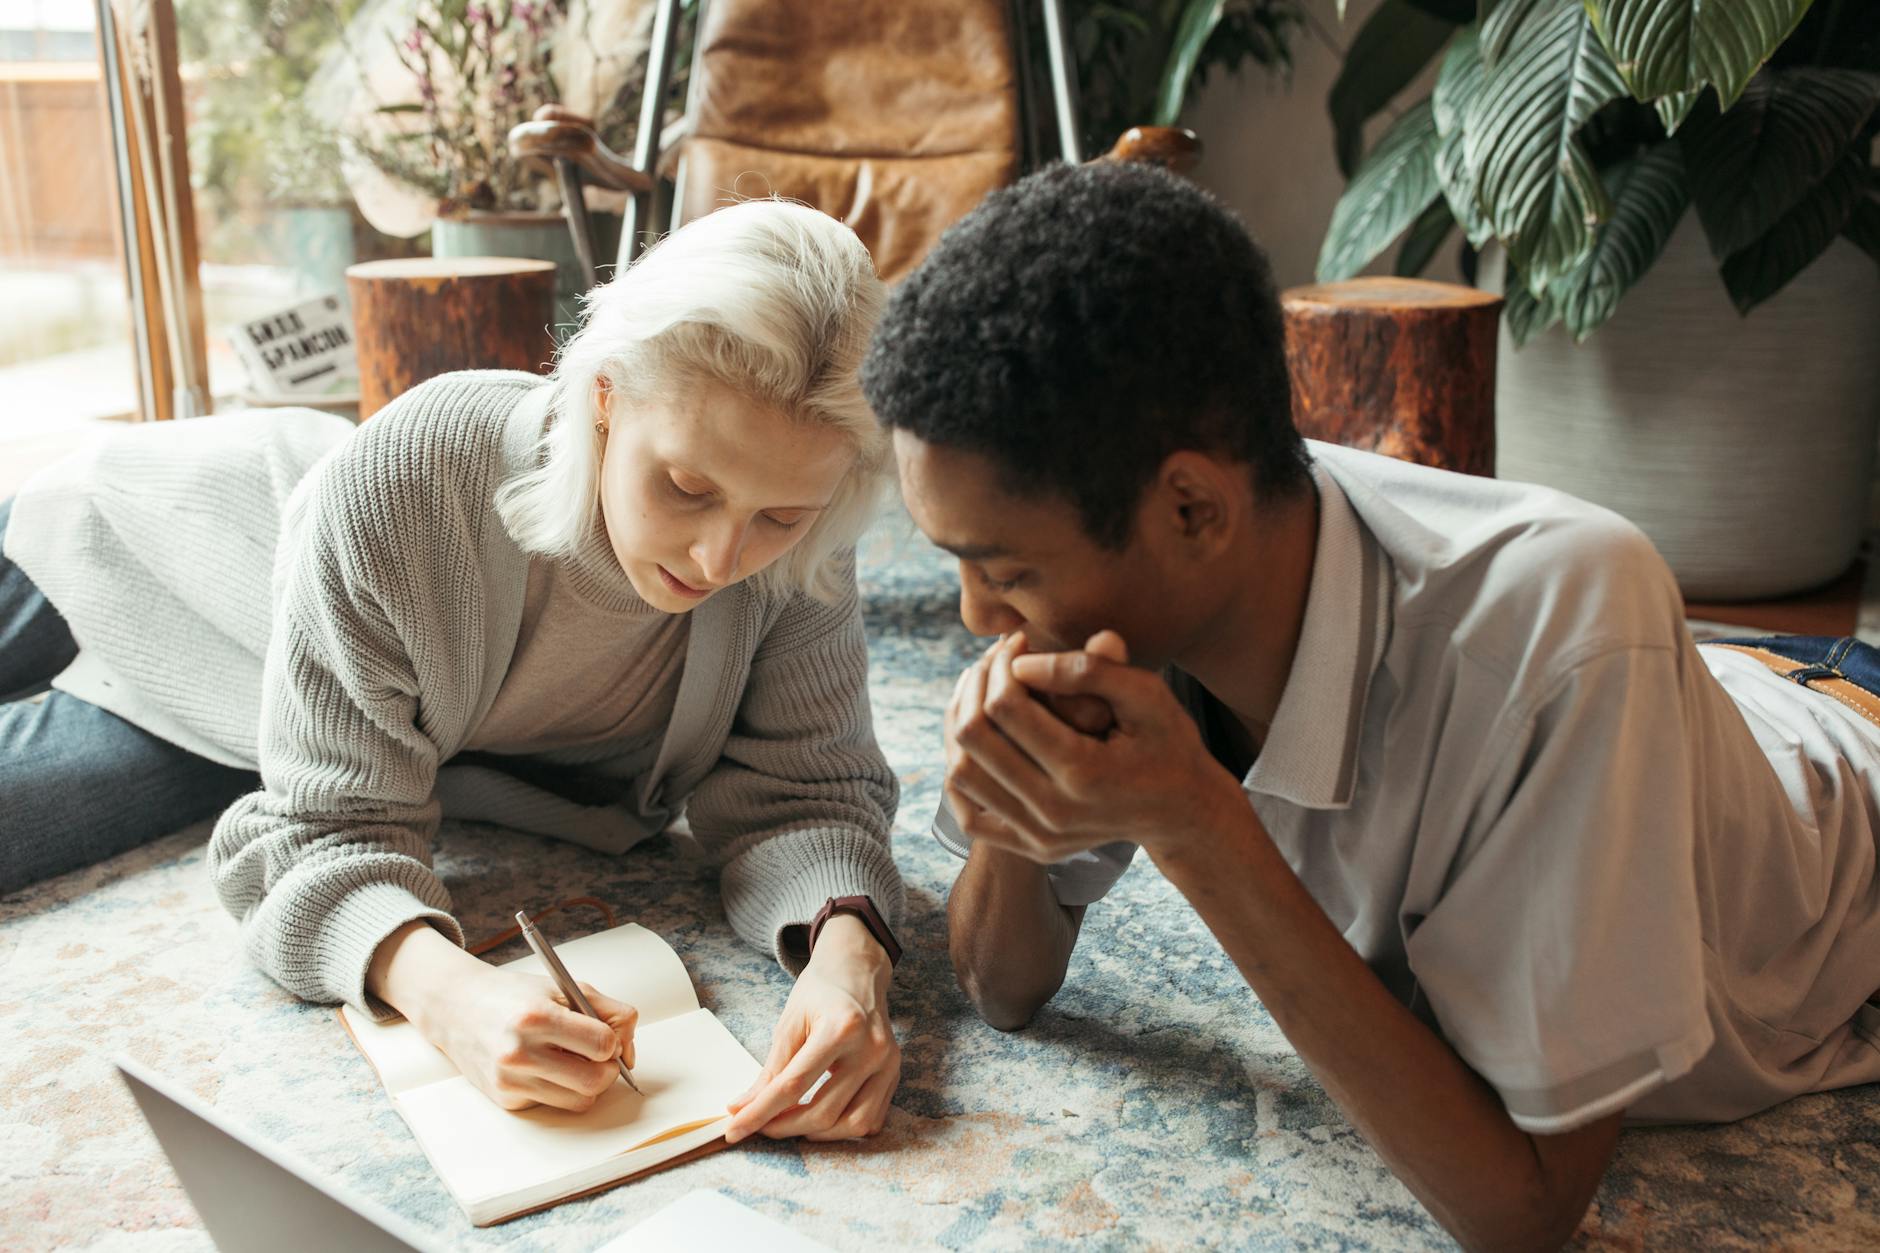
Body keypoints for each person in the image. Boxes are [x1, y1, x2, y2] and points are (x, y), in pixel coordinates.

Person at [859, 160, 1880, 1248]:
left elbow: (1520, 1211)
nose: (977, 617)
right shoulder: (1151, 589)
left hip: (1836, 746)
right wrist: (1015, 810)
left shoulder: (1565, 627)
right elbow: (1000, 987)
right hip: (1711, 687)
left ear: (1192, 506)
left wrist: (1197, 824)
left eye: (1004, 571)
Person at [2, 200, 904, 1145]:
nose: (723, 557)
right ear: (602, 393)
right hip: (157, 537)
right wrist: (447, 997)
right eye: (685, 486)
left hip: (254, 714)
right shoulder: (411, 472)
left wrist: (849, 959)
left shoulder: (794, 552)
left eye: (781, 516)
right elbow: (326, 833)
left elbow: (809, 797)